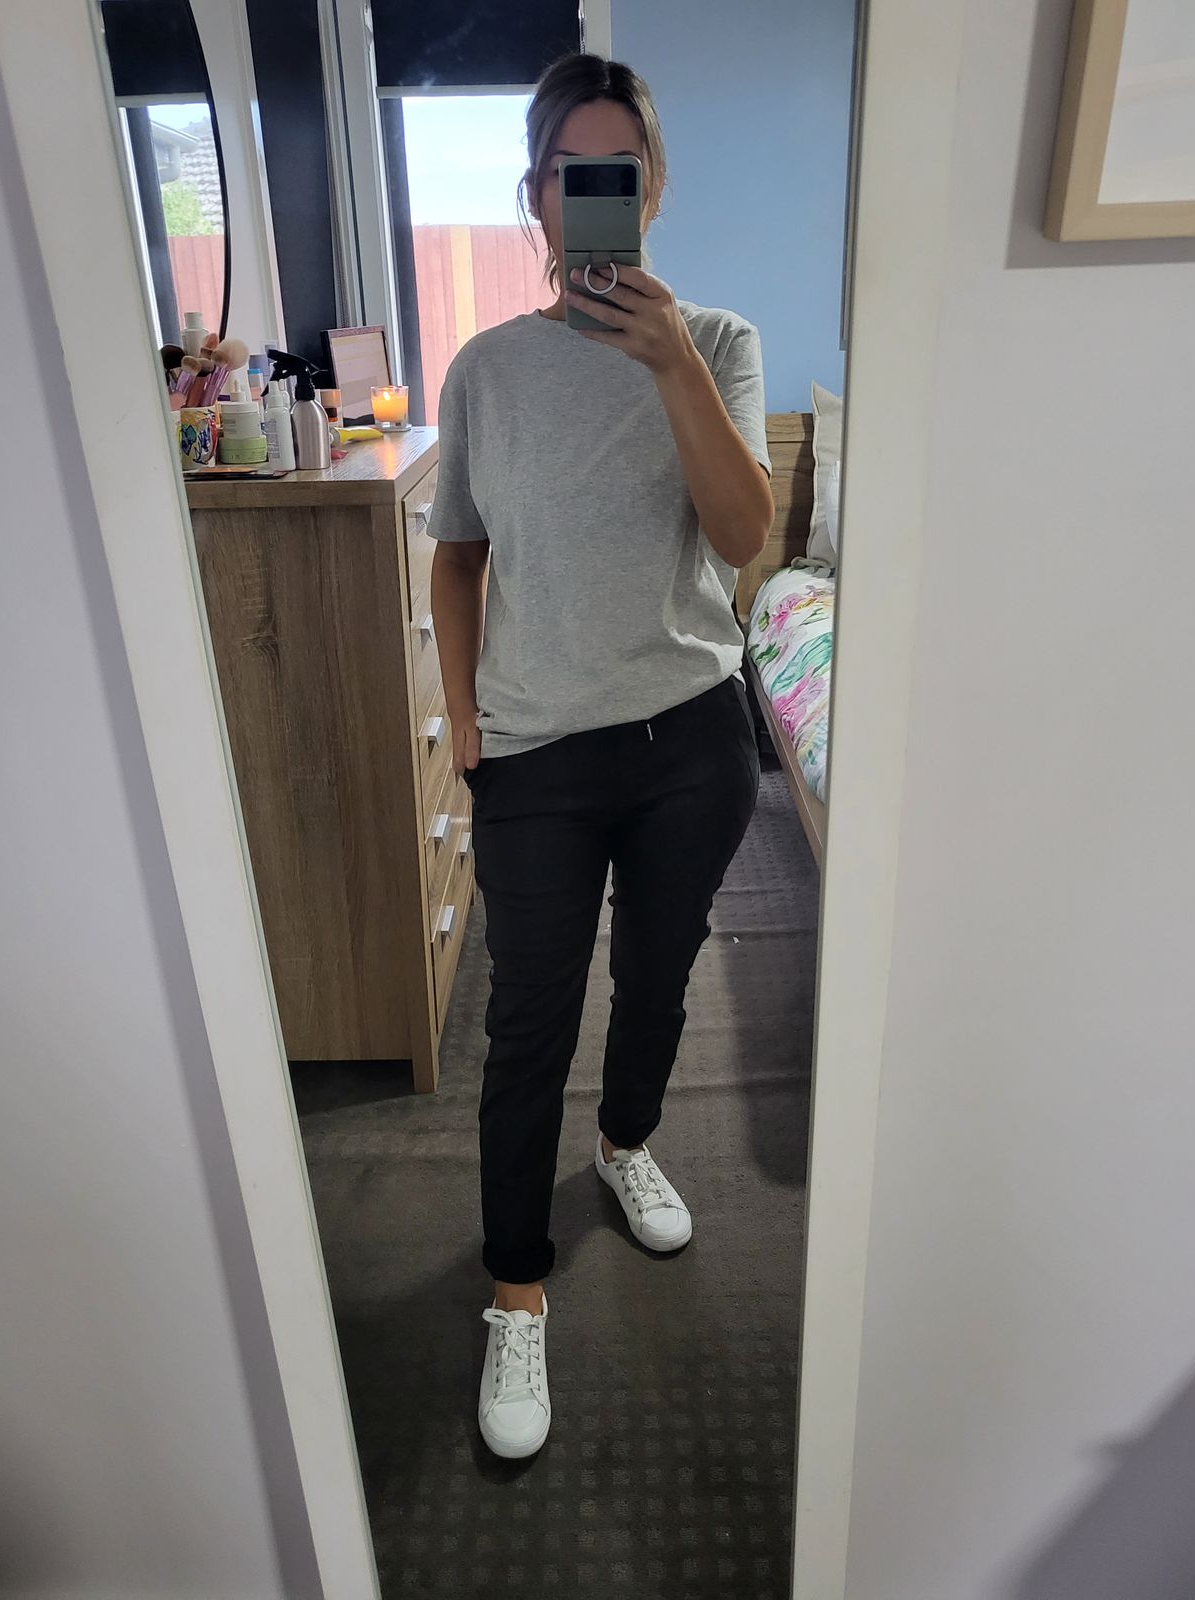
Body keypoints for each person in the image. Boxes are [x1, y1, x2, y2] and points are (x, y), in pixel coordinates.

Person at [428, 53, 773, 1461]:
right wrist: (464, 717)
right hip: (537, 753)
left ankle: (628, 1145)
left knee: (658, 976)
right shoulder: (485, 370)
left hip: (690, 733)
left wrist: (672, 361)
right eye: (570, 173)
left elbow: (744, 538)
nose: (593, 195)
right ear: (536, 195)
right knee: (527, 1020)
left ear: (656, 188)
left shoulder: (721, 343)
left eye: (618, 172)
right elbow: (458, 558)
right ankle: (517, 1285)